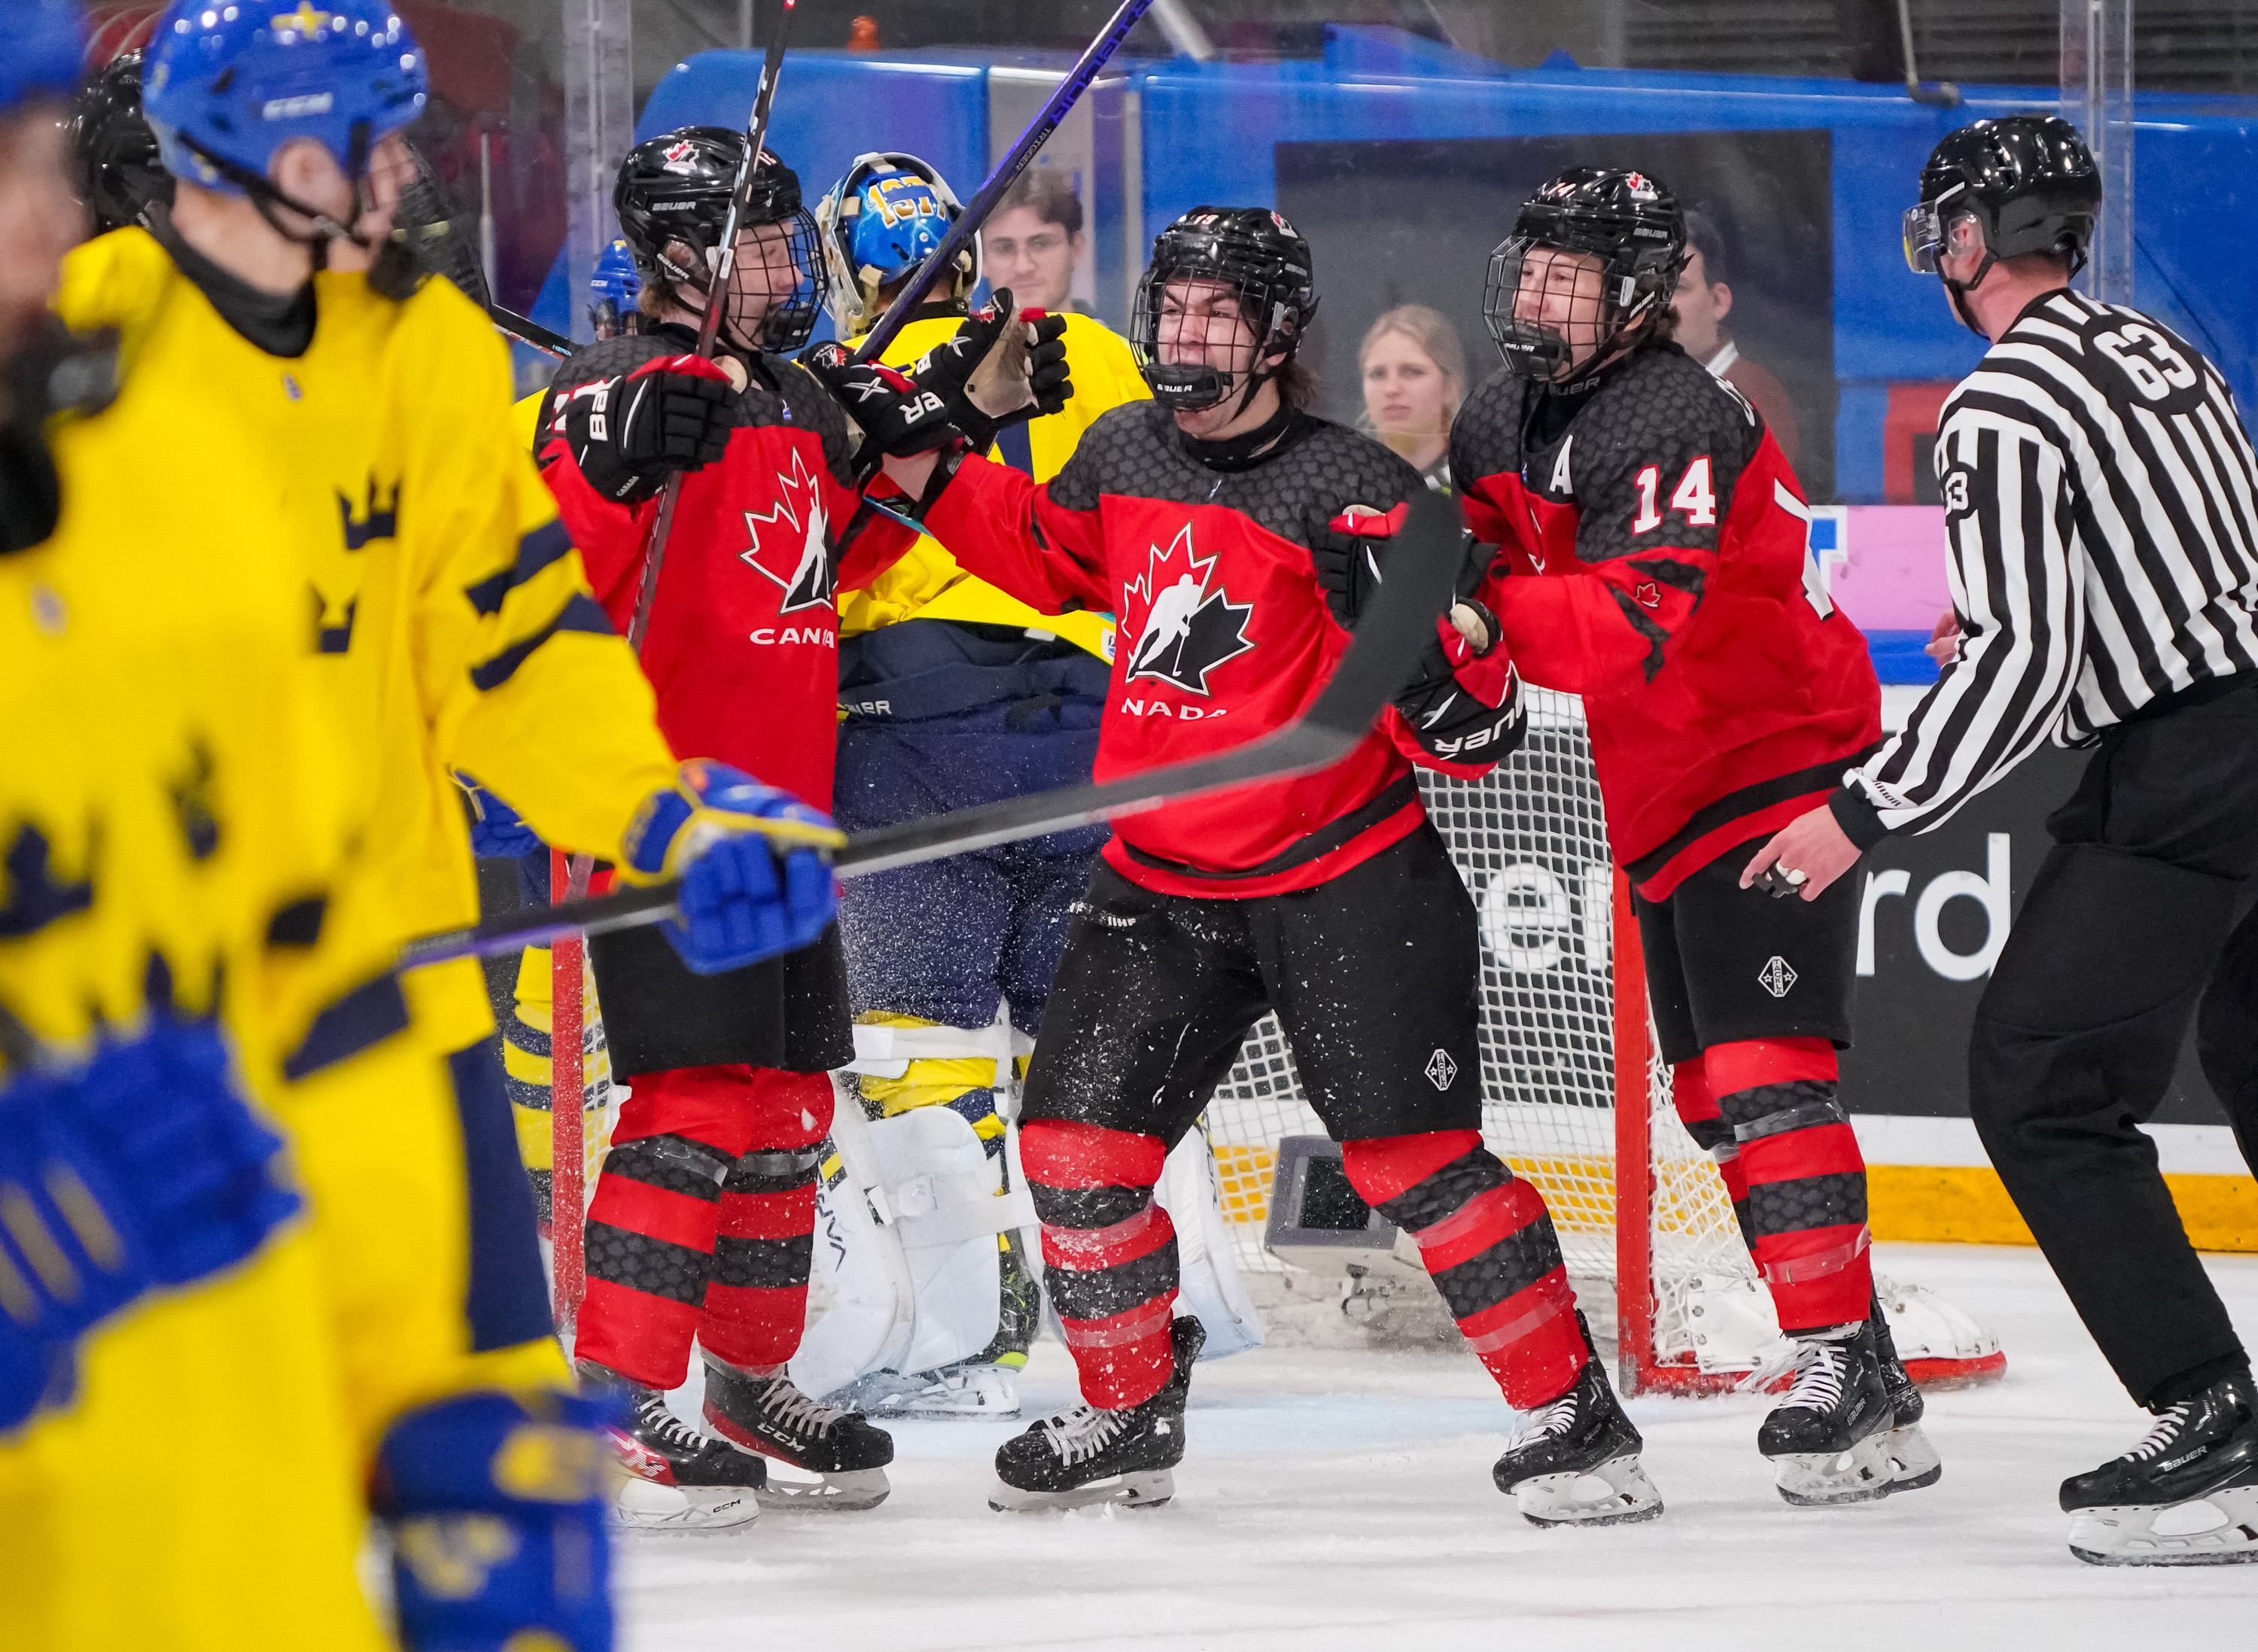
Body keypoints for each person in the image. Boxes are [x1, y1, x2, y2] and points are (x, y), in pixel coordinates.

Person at [71, 0, 841, 1596]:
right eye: (375, 143)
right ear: (267, 156)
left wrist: (663, 817)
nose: (411, 176)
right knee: (191, 1507)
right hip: (150, 1020)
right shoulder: (77, 349)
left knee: (506, 1497)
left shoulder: (416, 342)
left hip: (392, 996)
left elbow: (515, 644)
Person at [852, 205, 1533, 1514]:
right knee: (1069, 1149)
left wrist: (1459, 658)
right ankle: (1126, 1414)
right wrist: (925, 450)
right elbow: (1043, 559)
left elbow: (1473, 731)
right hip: (1166, 882)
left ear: (1278, 333)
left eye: (1220, 313)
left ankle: (1570, 1417)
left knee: (1417, 1167)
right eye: (1173, 310)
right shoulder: (1125, 447)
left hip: (1341, 875)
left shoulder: (1353, 487)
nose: (1188, 335)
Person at [1748, 114, 2258, 1565]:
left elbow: (2029, 669)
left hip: (2194, 768)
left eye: (1945, 224)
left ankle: (2211, 1413)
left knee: (2038, 1083)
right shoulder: (2154, 348)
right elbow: (2203, 559)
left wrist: (1864, 813)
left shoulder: (2003, 401)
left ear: (1971, 239)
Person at [1452, 166, 1929, 1516]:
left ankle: (1844, 1361)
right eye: (1533, 267)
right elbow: (1473, 569)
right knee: (1718, 1096)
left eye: (1575, 276)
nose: (1542, 295)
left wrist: (1476, 629)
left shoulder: (1673, 410)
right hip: (1658, 777)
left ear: (1646, 296)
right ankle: (1871, 1361)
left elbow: (1617, 625)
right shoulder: (1501, 411)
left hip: (1773, 754)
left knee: (1765, 1073)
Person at [535, 126, 930, 1516]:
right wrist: (616, 463)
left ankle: (744, 1378)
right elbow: (534, 595)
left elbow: (836, 562)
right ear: (685, 252)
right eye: (759, 241)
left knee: (785, 1105)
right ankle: (617, 1387)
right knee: (694, 1099)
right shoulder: (603, 388)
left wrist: (921, 439)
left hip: (786, 814)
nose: (785, 266)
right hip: (663, 808)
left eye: (785, 236)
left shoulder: (792, 395)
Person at [813, 151, 1158, 1421]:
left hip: (918, 730)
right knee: (1078, 1041)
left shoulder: (839, 384)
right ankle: (1131, 1319)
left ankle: (977, 1332)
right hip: (1090, 728)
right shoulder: (1094, 350)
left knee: (928, 1043)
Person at [1669, 209, 1799, 464]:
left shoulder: (1757, 400)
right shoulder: (1627, 387)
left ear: (1717, 301)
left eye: (1676, 288)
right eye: (1647, 288)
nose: (1656, 304)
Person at [1357, 303, 1464, 488]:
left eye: (1412, 372)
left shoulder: (1477, 487)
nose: (1391, 389)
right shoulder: (1342, 482)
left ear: (1449, 388)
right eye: (1377, 374)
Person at [980, 163, 1089, 317]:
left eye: (1042, 244)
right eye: (1004, 248)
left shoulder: (1114, 342)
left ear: (1076, 249)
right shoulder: (947, 341)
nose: (1023, 268)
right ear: (981, 259)